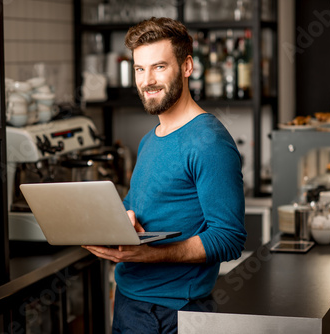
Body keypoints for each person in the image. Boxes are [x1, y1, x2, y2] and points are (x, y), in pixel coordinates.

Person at [83, 17, 246, 333]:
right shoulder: (151, 138)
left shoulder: (209, 141)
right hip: (130, 303)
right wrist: (118, 223)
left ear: (187, 67)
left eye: (159, 67)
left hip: (169, 313)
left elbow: (229, 238)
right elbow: (136, 207)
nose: (147, 80)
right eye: (139, 69)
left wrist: (149, 254)